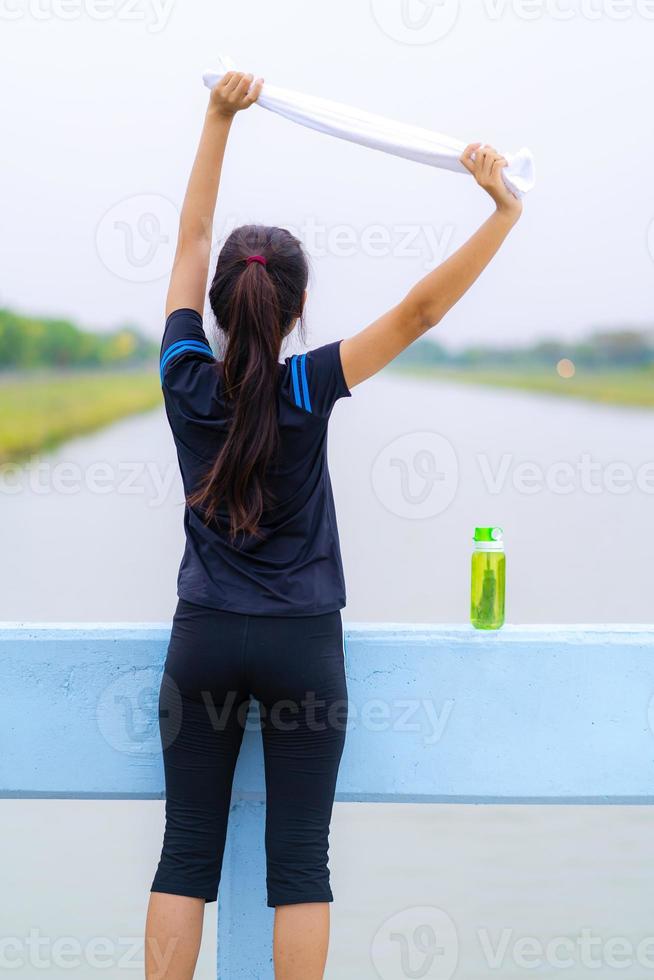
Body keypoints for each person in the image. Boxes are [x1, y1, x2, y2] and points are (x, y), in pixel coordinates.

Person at [144, 71, 522, 980]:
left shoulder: (185, 376)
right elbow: (420, 312)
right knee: (299, 867)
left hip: (201, 643)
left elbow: (194, 235)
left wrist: (217, 116)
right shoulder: (308, 386)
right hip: (301, 647)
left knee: (185, 852)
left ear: (225, 306)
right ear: (295, 309)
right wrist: (502, 212)